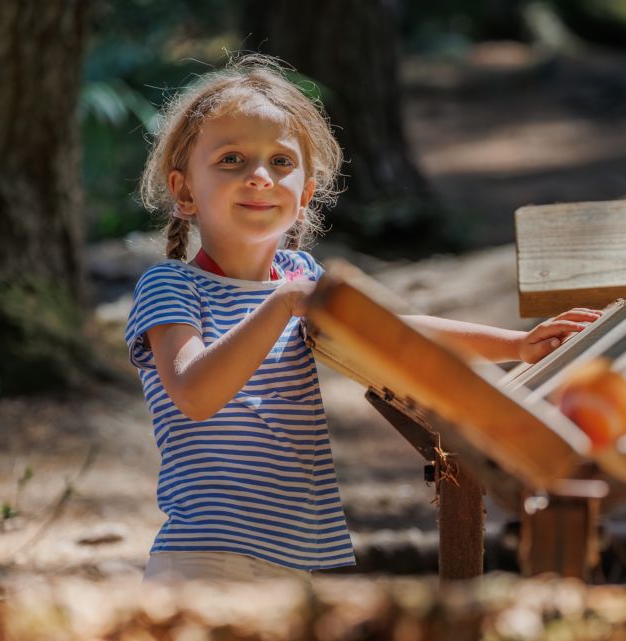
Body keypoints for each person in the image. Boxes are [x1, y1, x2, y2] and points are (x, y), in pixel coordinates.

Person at [126, 54, 600, 584]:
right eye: (232, 159)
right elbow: (194, 394)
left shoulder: (299, 275)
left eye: (280, 162)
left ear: (305, 196)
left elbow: (394, 333)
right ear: (185, 191)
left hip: (296, 561)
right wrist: (284, 303)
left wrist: (516, 344)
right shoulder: (171, 286)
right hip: (203, 560)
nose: (260, 177)